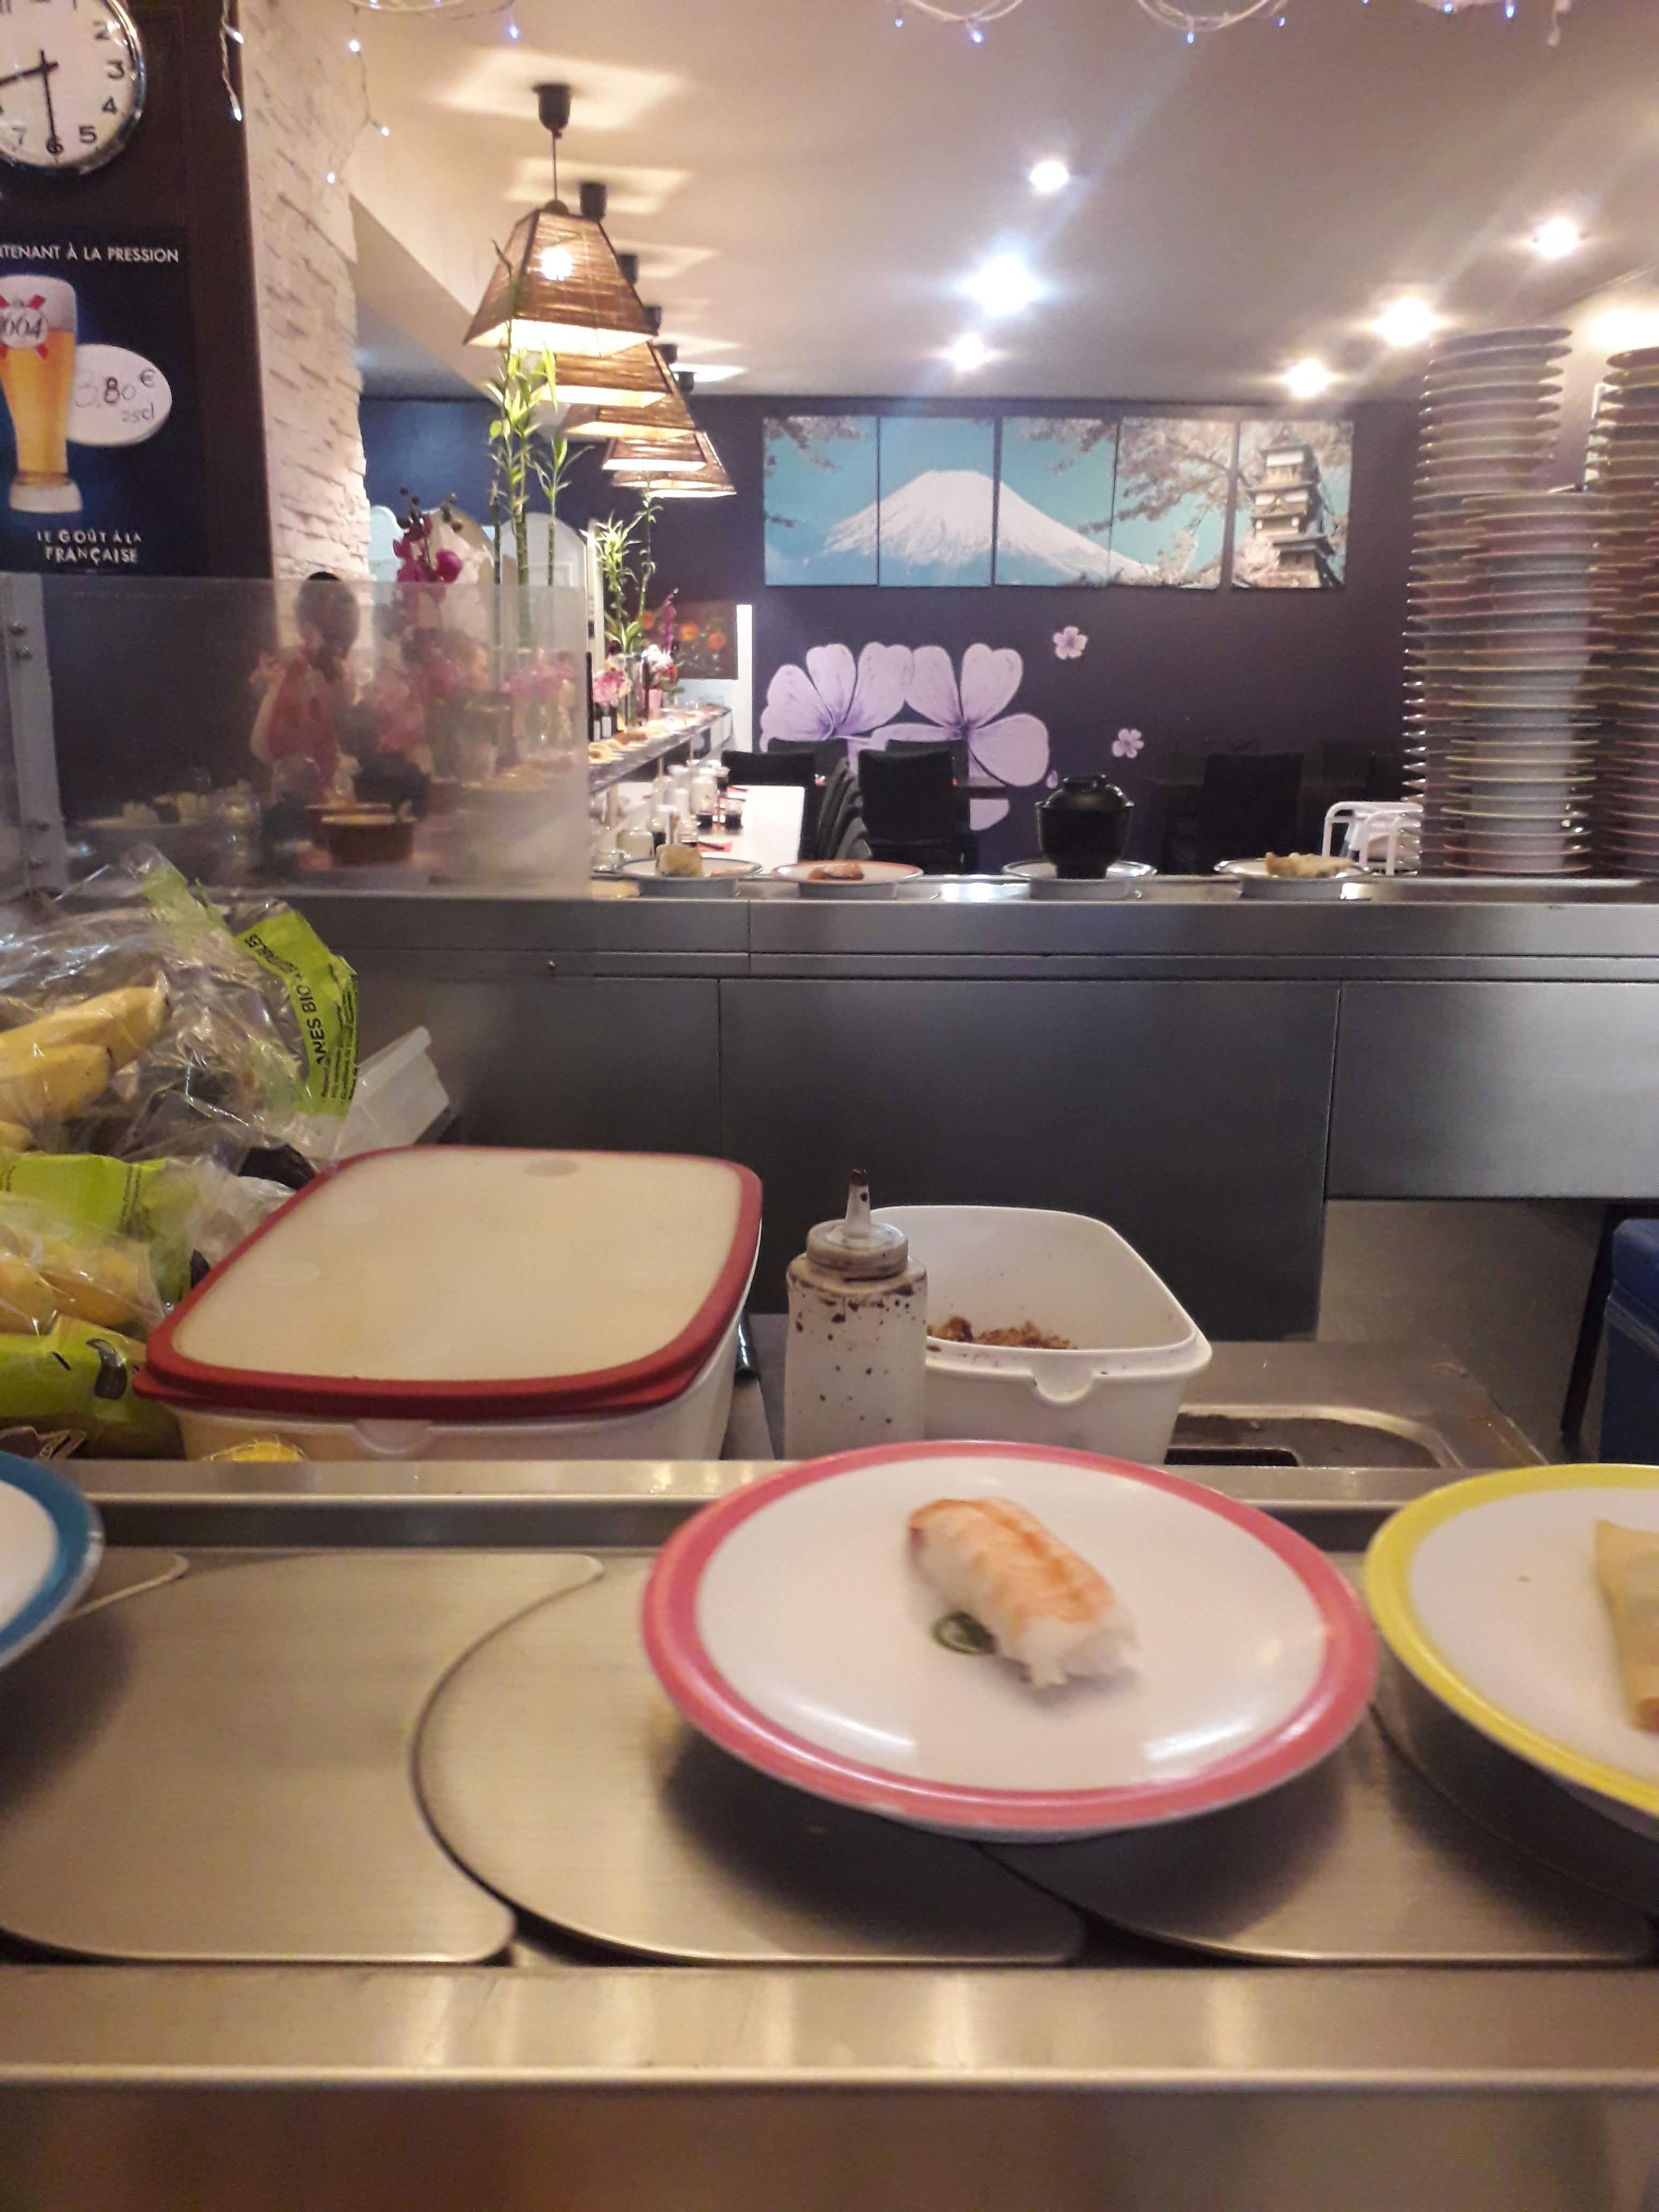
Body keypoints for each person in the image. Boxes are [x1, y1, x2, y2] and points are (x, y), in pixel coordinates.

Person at [249, 572, 362, 796]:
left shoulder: (336, 674)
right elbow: (264, 747)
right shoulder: (292, 665)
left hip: (317, 784)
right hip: (293, 783)